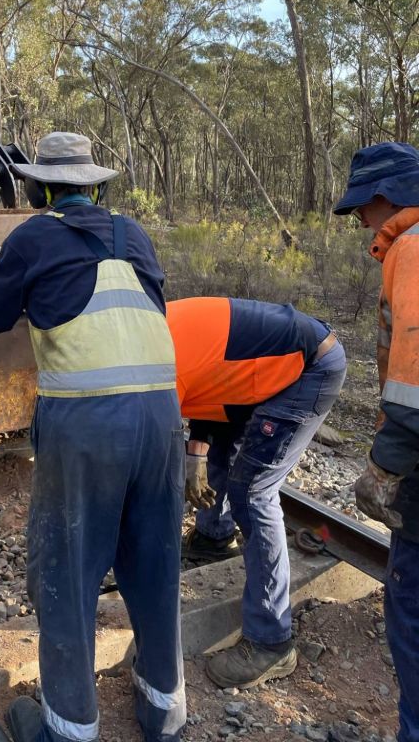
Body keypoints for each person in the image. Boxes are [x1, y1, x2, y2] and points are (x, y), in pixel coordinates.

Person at [0, 132, 186, 742]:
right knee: (155, 561)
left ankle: (69, 728)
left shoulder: (32, 237)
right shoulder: (134, 235)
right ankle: (164, 713)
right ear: (94, 188)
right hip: (162, 417)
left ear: (40, 189)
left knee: (69, 570)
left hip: (88, 424)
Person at [165, 296, 346, 690]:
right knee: (220, 453)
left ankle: (271, 640)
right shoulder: (158, 333)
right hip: (255, 369)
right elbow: (208, 383)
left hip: (306, 369)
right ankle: (215, 538)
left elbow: (154, 459)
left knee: (252, 492)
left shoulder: (155, 364)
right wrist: (195, 453)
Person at [333, 141, 419, 742]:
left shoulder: (411, 248)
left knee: (410, 606)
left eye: (362, 207)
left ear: (384, 196)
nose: (361, 220)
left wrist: (386, 468)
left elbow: (414, 381)